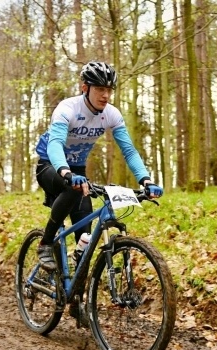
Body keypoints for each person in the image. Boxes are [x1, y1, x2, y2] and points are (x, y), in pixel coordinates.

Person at [34, 61, 163, 273]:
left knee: (85, 239)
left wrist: (146, 180)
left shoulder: (111, 114)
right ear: (85, 88)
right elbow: (55, 143)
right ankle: (46, 243)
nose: (106, 95)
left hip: (77, 171)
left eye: (109, 90)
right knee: (72, 188)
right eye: (100, 89)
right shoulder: (67, 108)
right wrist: (65, 172)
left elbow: (129, 151)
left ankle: (76, 287)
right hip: (51, 165)